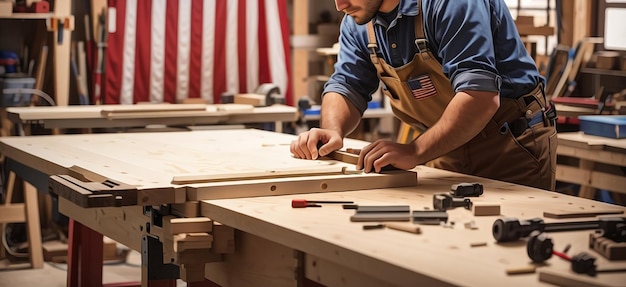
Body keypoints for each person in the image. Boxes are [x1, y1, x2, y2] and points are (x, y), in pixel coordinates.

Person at [290, 0, 557, 191]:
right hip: (445, 146)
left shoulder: (451, 4)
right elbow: (347, 85)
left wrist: (415, 150)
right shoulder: (359, 21)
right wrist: (333, 131)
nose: (339, 5)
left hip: (510, 146)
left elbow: (480, 96)